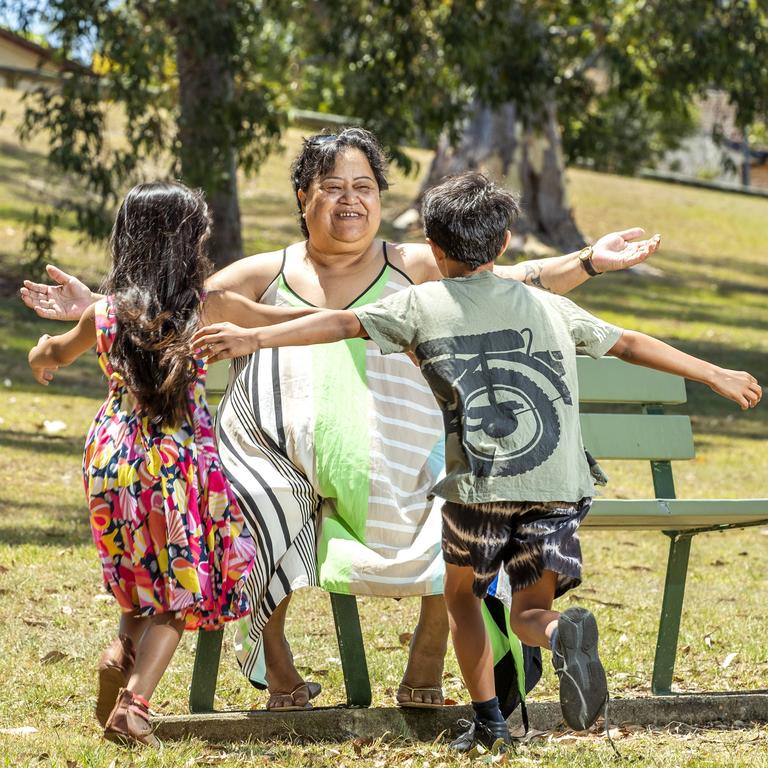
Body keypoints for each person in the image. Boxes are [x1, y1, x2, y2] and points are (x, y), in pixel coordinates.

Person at [20, 128, 662, 711]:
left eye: (364, 187)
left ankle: (426, 667)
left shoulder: (413, 263)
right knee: (251, 508)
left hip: (396, 451)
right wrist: (98, 303)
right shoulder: (268, 270)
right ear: (303, 198)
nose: (350, 201)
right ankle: (280, 676)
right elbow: (171, 302)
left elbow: (514, 279)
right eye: (332, 188)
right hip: (275, 450)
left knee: (455, 515)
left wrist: (590, 261)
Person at [192, 171, 761, 749]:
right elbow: (631, 343)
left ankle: (490, 721)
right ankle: (561, 633)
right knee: (528, 613)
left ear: (433, 250)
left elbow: (341, 323)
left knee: (462, 597)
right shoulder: (544, 303)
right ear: (507, 240)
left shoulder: (419, 301)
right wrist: (713, 372)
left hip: (479, 487)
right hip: (559, 484)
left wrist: (252, 339)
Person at [24, 182, 299, 745]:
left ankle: (120, 651)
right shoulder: (209, 307)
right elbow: (288, 320)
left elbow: (51, 353)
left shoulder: (103, 312)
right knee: (180, 592)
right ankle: (135, 706)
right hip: (174, 462)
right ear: (190, 242)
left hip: (111, 457)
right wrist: (356, 317)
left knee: (138, 576)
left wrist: (40, 356)